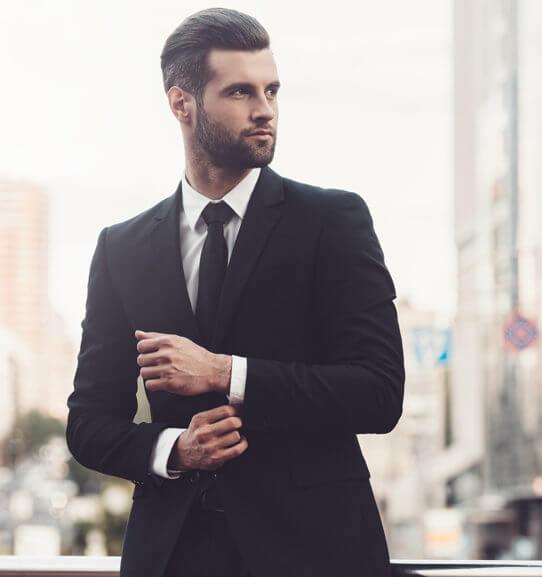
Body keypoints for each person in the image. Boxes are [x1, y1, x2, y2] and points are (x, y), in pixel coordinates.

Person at [66, 8, 405, 577]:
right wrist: (174, 450)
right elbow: (89, 423)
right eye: (241, 92)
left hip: (314, 554)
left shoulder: (332, 221)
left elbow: (379, 393)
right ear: (182, 104)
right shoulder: (121, 247)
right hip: (173, 556)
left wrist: (226, 372)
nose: (265, 110)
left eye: (272, 90)